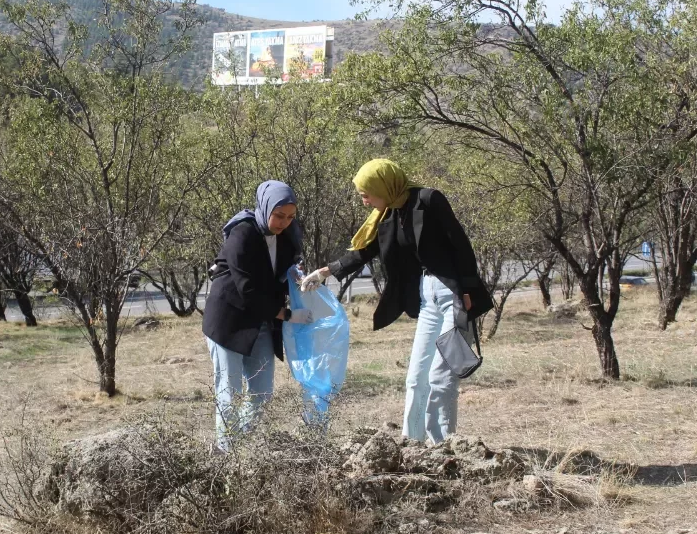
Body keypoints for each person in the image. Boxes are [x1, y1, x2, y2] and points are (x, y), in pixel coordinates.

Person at [301, 159, 492, 443]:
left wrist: (467, 292)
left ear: (383, 186)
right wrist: (324, 272)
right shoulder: (388, 216)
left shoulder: (429, 200)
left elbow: (461, 245)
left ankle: (442, 446)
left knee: (441, 378)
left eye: (366, 194)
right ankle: (411, 442)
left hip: (452, 294)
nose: (364, 201)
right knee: (416, 377)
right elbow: (364, 252)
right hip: (427, 297)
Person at [203, 180, 314, 451]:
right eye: (279, 215)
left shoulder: (288, 237)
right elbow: (247, 290)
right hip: (229, 321)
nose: (284, 222)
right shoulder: (242, 233)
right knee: (230, 392)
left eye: (290, 217)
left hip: (262, 321)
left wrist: (302, 280)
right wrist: (287, 315)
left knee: (262, 394)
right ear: (264, 208)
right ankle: (225, 456)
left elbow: (284, 273)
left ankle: (234, 448)